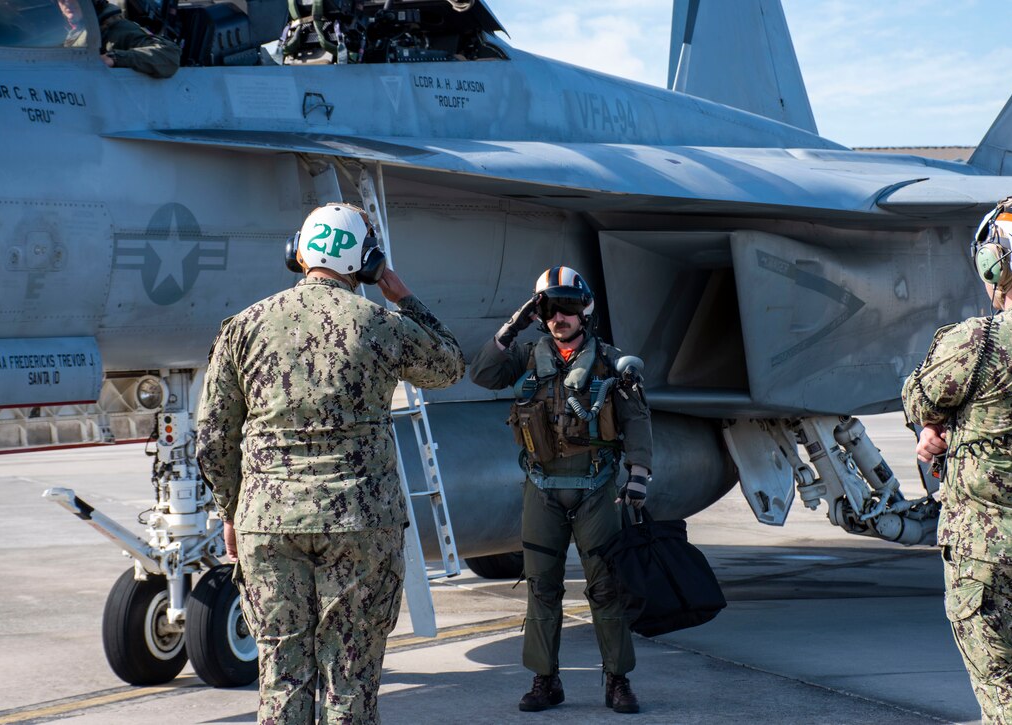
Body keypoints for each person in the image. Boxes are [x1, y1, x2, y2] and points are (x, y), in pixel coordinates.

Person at [196, 203, 465, 724]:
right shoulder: (382, 324)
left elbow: (212, 438)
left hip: (268, 525)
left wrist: (231, 511)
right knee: (350, 676)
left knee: (281, 674)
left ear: (297, 251)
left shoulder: (243, 327)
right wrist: (402, 295)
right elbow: (449, 364)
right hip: (360, 524)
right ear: (364, 262)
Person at [902, 197, 1012, 722]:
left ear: (999, 263)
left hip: (994, 555)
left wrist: (936, 427)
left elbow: (919, 397)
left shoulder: (979, 341)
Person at [470, 266, 653, 714]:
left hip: (595, 488)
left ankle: (617, 681)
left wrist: (638, 475)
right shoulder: (528, 356)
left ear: (584, 311)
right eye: (549, 308)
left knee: (607, 587)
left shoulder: (610, 361)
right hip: (542, 488)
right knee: (541, 588)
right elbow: (481, 374)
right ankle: (545, 681)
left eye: (568, 307)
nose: (559, 317)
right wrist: (513, 325)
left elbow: (636, 421)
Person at [56, 0, 179, 78]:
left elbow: (169, 54)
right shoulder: (55, 33)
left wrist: (113, 58)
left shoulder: (116, 29)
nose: (67, 2)